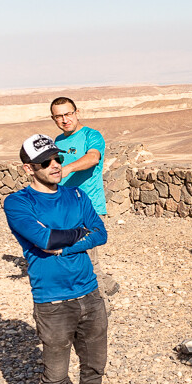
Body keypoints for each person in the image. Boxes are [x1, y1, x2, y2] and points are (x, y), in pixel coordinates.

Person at [3, 134, 122, 384]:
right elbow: (44, 241)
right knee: (55, 371)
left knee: (95, 365)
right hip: (52, 301)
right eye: (45, 162)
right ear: (29, 169)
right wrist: (73, 236)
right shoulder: (18, 203)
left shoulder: (78, 195)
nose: (55, 166)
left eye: (57, 158)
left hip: (90, 294)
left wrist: (64, 244)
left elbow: (99, 234)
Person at [50, 96, 118, 296]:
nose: (65, 119)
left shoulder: (92, 135)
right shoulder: (58, 141)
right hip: (65, 208)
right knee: (79, 258)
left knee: (87, 260)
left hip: (88, 208)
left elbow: (93, 157)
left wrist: (68, 168)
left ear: (77, 113)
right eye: (59, 116)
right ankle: (108, 285)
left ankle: (100, 307)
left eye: (68, 114)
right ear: (53, 119)